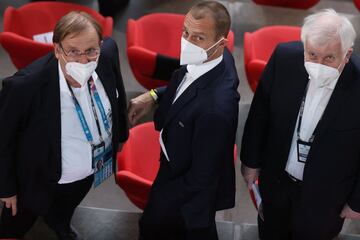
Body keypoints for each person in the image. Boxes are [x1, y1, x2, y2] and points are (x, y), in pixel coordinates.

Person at [0, 11, 128, 240]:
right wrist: (6, 188)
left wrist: (120, 138)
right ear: (57, 49)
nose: (83, 60)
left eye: (90, 51)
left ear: (99, 45)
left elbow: (118, 95)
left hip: (88, 169)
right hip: (36, 178)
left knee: (64, 208)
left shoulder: (107, 53)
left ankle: (59, 222)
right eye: (73, 52)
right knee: (16, 223)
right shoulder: (25, 87)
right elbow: (3, 139)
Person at [240, 9, 360, 240]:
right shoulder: (284, 58)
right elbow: (259, 115)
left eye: (329, 58)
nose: (318, 63)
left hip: (326, 197)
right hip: (277, 182)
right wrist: (251, 161)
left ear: (347, 54)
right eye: (312, 54)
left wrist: (356, 201)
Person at [128, 2, 240, 239]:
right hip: (176, 166)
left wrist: (164, 200)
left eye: (198, 37)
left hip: (183, 190)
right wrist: (154, 95)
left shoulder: (216, 109)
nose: (187, 41)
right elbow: (187, 82)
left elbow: (201, 177)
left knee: (153, 227)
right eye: (185, 32)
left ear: (222, 43)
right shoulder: (214, 59)